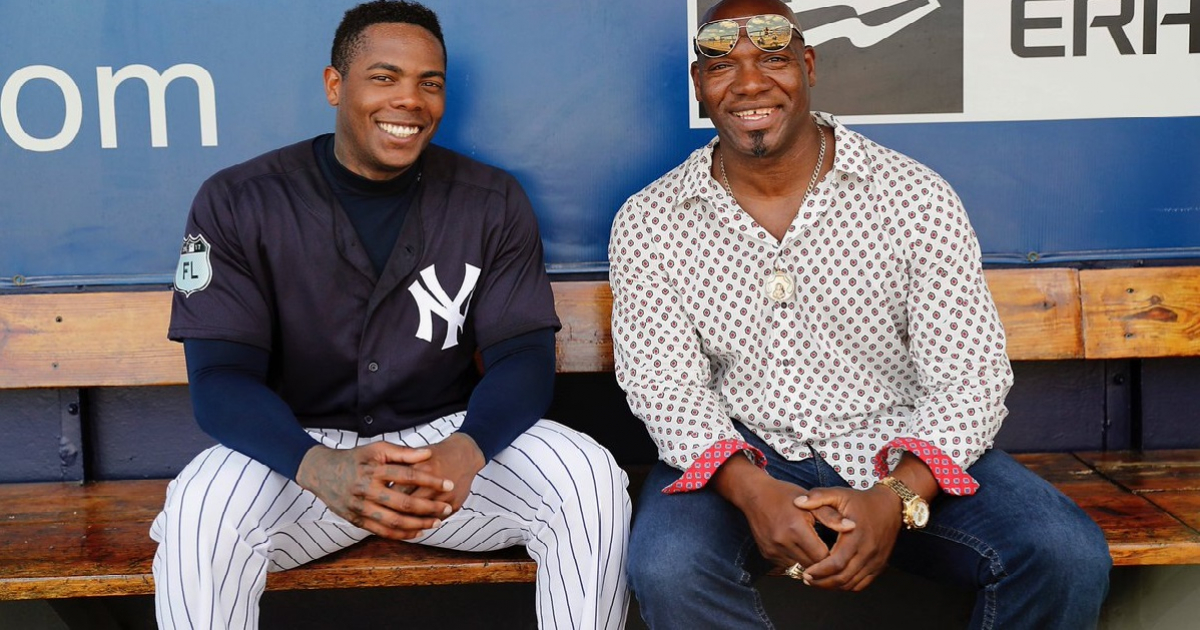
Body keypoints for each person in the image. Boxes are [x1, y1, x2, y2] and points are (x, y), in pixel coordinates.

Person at [609, 0, 1111, 628]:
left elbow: (972, 374)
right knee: (669, 566)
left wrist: (896, 497)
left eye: (773, 59)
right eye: (722, 67)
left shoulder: (911, 196)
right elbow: (665, 386)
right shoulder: (650, 221)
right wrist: (753, 492)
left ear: (808, 66)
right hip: (743, 451)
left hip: (896, 446)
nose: (749, 83)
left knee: (1064, 553)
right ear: (699, 85)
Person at [152, 2, 629, 628]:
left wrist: (468, 449)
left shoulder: (490, 199)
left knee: (587, 479)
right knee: (199, 508)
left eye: (429, 83)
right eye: (384, 77)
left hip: (445, 452)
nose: (409, 100)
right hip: (299, 456)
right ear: (335, 85)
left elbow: (525, 358)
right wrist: (316, 466)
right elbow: (218, 380)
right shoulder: (240, 199)